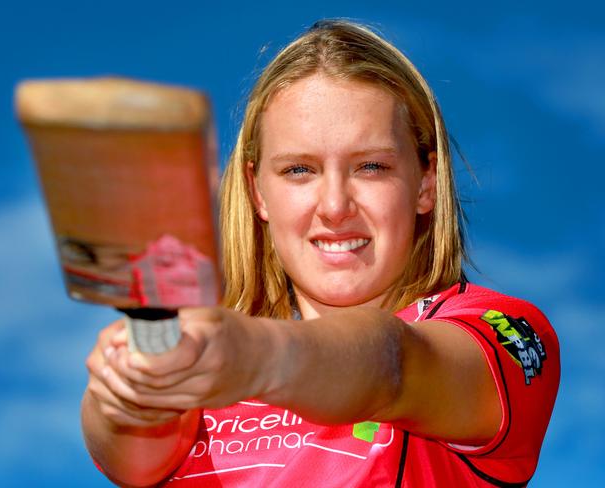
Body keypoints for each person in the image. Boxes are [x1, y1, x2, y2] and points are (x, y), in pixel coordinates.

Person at [82, 20, 560, 487]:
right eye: (298, 170)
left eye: (371, 166)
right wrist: (129, 386)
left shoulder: (500, 330)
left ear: (426, 183)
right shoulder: (208, 353)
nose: (334, 207)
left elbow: (393, 366)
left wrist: (253, 356)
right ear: (258, 192)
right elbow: (132, 457)